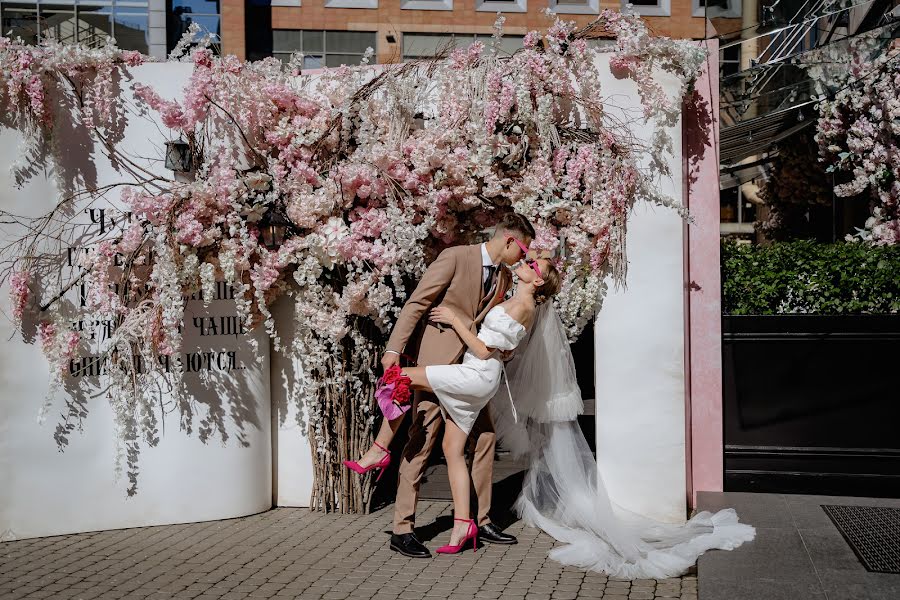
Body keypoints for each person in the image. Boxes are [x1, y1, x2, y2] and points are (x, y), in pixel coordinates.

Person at [486, 291, 758, 578]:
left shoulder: (530, 303)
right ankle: (542, 492)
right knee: (541, 442)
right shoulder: (526, 297)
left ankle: (553, 500)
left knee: (546, 441)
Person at [343, 213, 535, 558]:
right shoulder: (456, 257)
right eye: (522, 249)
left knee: (487, 438)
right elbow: (417, 303)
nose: (524, 257)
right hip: (438, 364)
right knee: (423, 438)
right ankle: (402, 529)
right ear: (508, 240)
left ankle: (482, 519)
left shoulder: (506, 278)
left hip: (474, 369)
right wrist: (393, 348)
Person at [400, 256, 561, 553]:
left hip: (476, 374)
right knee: (452, 450)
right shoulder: (514, 299)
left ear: (537, 281)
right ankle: (464, 524)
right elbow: (504, 347)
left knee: (400, 377)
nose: (526, 262)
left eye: (533, 265)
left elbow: (483, 350)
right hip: (479, 376)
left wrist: (453, 320)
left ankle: (379, 449)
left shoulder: (524, 308)